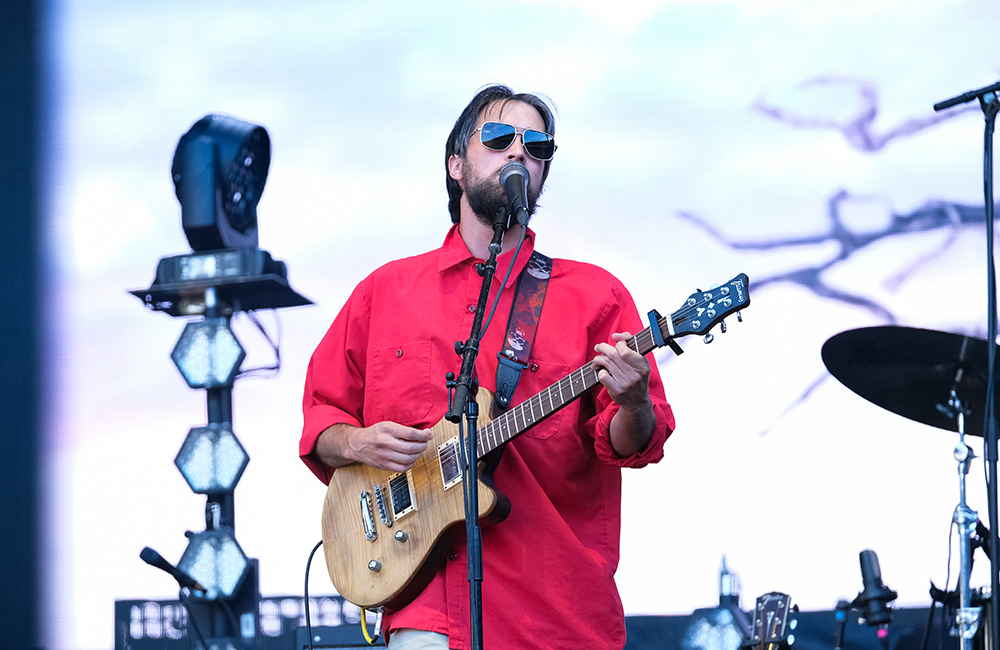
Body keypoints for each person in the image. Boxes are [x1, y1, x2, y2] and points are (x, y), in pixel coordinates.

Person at [300, 84, 675, 650]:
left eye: (537, 146)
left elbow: (633, 444)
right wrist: (356, 443)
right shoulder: (385, 291)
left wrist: (634, 401)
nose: (519, 151)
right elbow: (319, 419)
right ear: (456, 164)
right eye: (500, 138)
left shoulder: (596, 296)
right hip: (424, 610)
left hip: (554, 616)